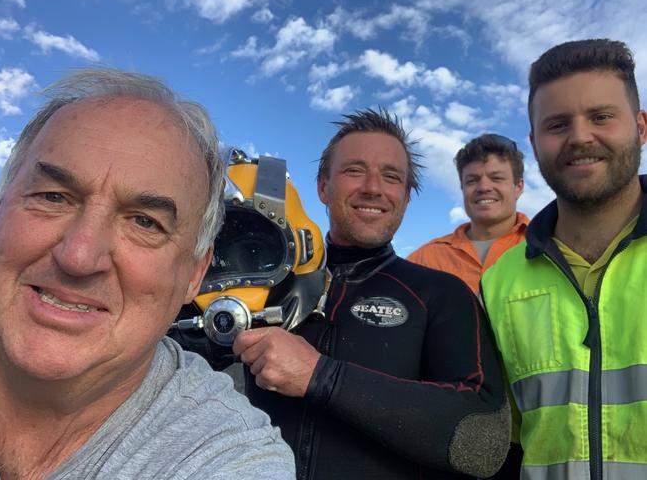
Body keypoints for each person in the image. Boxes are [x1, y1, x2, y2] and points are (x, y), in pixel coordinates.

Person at [0, 68, 294, 479]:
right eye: (53, 197)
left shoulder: (227, 456)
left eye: (144, 222)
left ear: (196, 272)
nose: (79, 256)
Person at [233, 108, 510, 479]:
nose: (373, 188)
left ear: (406, 197)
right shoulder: (256, 282)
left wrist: (321, 377)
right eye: (354, 170)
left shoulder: (441, 294)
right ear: (322, 187)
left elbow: (484, 438)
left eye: (391, 176)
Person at [481, 39, 647, 480]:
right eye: (558, 125)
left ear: (641, 126)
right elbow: (507, 444)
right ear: (535, 144)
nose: (580, 137)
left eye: (601, 117)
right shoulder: (499, 282)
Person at [408, 134, 528, 295]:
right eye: (472, 181)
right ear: (462, 188)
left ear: (518, 187)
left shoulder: (549, 248)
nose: (484, 187)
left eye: (497, 178)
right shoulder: (424, 259)